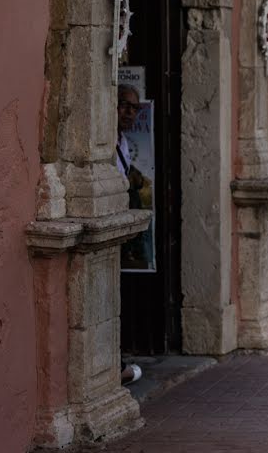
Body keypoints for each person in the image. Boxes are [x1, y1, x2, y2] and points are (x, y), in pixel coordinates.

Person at [116, 83, 143, 386]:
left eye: (134, 108)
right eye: (124, 105)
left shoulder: (123, 143)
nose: (128, 113)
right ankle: (118, 366)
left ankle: (119, 362)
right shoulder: (104, 143)